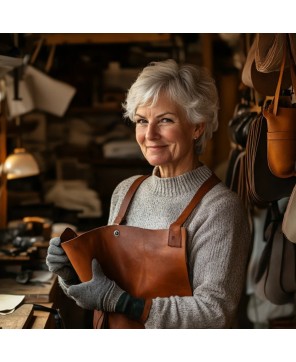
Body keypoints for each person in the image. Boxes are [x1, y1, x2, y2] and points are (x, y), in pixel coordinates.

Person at [46, 59, 251, 328]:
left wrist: (122, 303)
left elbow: (214, 313)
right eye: (142, 121)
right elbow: (103, 292)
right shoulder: (126, 191)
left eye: (165, 120)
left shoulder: (219, 208)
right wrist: (72, 274)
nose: (150, 134)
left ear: (197, 126)